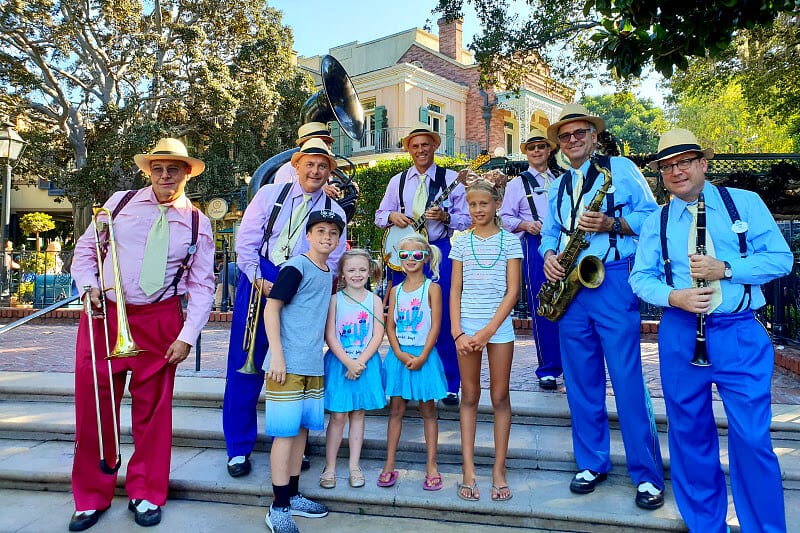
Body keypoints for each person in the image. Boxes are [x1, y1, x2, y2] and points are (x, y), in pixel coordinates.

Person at [630, 128, 792, 532]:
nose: (676, 171)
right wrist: (673, 297)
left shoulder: (745, 203)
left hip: (739, 331)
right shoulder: (657, 220)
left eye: (684, 161)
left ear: (704, 163)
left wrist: (728, 269)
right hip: (682, 332)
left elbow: (781, 259)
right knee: (689, 434)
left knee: (752, 439)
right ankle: (705, 525)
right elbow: (641, 278)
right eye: (668, 166)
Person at [68, 138, 215, 531]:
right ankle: (90, 496)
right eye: (158, 168)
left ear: (187, 172)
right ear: (148, 171)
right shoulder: (119, 202)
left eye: (174, 169)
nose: (165, 176)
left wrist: (187, 335)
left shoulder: (199, 223)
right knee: (94, 409)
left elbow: (202, 286)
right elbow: (85, 252)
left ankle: (147, 492)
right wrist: (88, 286)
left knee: (154, 412)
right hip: (106, 316)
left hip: (160, 319)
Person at [539, 103, 665, 509]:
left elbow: (653, 219)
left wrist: (612, 224)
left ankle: (646, 474)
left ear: (594, 137)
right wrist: (549, 256)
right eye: (566, 136)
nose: (573, 140)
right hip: (572, 284)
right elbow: (549, 234)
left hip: (611, 277)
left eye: (581, 134)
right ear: (559, 144)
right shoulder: (557, 185)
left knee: (627, 379)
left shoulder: (622, 169)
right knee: (580, 381)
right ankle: (591, 462)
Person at [223, 138, 347, 478]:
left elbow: (333, 260)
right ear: (296, 165)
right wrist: (258, 279)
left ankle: (294, 445)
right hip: (263, 276)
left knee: (296, 367)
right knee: (244, 366)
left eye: (323, 166)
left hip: (305, 285)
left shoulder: (335, 212)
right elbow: (246, 242)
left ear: (329, 171)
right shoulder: (268, 195)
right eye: (310, 163)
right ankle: (238, 447)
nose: (316, 171)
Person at [262, 208, 345, 533]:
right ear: (308, 235)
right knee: (284, 434)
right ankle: (278, 506)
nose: (327, 237)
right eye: (320, 231)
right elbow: (272, 308)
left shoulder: (328, 273)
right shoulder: (296, 267)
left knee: (301, 431)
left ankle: (293, 494)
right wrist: (278, 356)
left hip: (312, 364)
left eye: (333, 233)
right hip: (287, 365)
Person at [375, 126, 469, 405]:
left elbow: (466, 220)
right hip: (404, 255)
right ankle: (406, 378)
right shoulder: (398, 181)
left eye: (425, 145)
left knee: (444, 316)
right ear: (409, 149)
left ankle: (450, 384)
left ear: (434, 147)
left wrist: (445, 217)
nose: (420, 150)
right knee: (404, 315)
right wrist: (393, 215)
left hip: (438, 250)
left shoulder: (452, 179)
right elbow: (380, 216)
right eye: (415, 146)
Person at [450, 172, 522, 502]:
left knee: (500, 396)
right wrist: (458, 332)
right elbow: (455, 290)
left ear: (497, 204)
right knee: (468, 395)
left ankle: (498, 469)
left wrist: (489, 331)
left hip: (498, 330)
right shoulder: (461, 242)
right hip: (466, 330)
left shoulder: (510, 241)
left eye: (484, 203)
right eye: (473, 204)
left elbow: (512, 291)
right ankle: (468, 469)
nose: (478, 209)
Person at [377, 234, 447, 491]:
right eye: (404, 255)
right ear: (398, 258)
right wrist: (398, 352)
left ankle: (432, 465)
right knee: (395, 410)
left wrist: (422, 356)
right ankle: (389, 463)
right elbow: (390, 326)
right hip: (399, 357)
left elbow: (436, 325)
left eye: (416, 255)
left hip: (423, 356)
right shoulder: (395, 290)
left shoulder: (432, 288)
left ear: (426, 257)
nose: (410, 259)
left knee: (428, 411)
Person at [499, 128, 563, 390]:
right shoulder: (517, 184)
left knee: (574, 307)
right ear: (526, 152)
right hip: (536, 245)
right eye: (532, 147)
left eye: (541, 146)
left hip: (567, 243)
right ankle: (548, 368)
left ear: (550, 150)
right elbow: (504, 218)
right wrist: (525, 224)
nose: (537, 151)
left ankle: (573, 366)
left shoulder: (563, 177)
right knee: (543, 304)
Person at [320, 249, 386, 489]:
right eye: (351, 270)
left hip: (365, 364)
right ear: (343, 275)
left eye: (362, 270)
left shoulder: (375, 300)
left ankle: (354, 466)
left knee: (358, 414)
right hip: (340, 364)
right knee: (338, 416)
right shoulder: (335, 300)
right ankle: (329, 466)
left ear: (369, 272)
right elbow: (330, 334)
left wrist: (360, 362)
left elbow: (378, 335)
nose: (357, 274)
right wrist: (348, 361)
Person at [274, 121, 340, 199]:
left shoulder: (324, 171)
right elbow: (281, 198)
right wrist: (318, 191)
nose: (329, 147)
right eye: (323, 142)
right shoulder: (287, 169)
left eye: (329, 143)